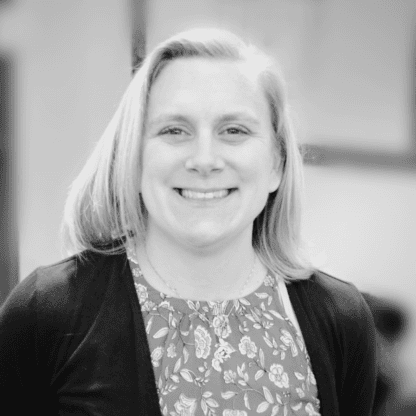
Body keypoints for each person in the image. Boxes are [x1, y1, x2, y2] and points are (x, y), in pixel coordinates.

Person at [0, 28, 377, 415]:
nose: (204, 159)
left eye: (234, 131)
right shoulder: (44, 312)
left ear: (276, 165)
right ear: (135, 156)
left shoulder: (340, 318)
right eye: (174, 130)